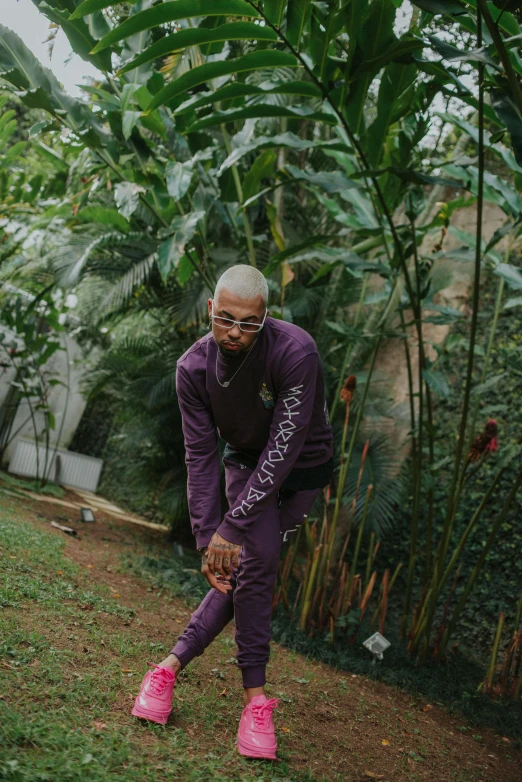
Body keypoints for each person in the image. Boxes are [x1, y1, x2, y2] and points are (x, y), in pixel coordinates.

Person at [132, 264, 333, 760]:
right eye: (225, 319)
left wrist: (233, 528)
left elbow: (284, 448)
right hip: (245, 459)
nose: (235, 333)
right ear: (210, 310)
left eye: (249, 323)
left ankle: (167, 668)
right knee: (255, 561)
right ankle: (254, 699)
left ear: (266, 317)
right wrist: (209, 537)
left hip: (302, 468)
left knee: (245, 562)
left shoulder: (296, 352)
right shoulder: (192, 369)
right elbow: (200, 457)